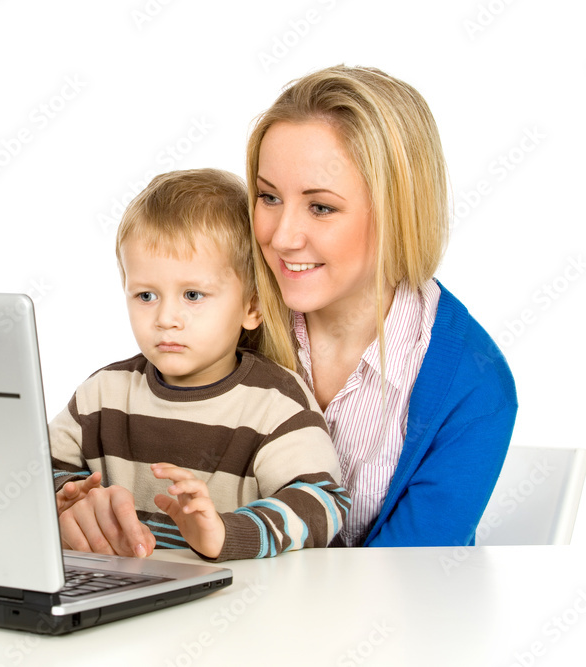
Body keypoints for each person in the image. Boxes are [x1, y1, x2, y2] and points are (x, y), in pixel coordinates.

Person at [246, 65, 518, 547]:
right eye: (268, 197)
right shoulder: (226, 319)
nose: (281, 237)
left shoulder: (473, 385)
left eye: (321, 207)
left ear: (398, 209)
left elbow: (404, 584)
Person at [49, 168, 350, 561]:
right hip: (120, 595)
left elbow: (323, 503)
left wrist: (228, 532)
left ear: (252, 306)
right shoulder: (102, 394)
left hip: (237, 604)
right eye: (145, 296)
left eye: (192, 294)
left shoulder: (274, 403)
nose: (166, 318)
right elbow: (30, 471)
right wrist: (68, 499)